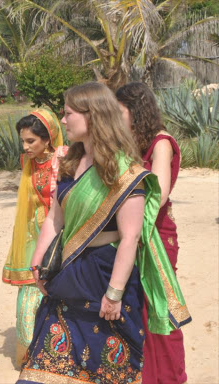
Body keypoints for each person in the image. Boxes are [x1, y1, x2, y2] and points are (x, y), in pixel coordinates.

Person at [16, 82, 191, 383]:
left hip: (104, 276)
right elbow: (54, 221)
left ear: (93, 115)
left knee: (107, 370)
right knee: (42, 369)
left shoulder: (124, 170)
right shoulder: (70, 162)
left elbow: (130, 237)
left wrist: (114, 294)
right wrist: (38, 265)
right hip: (68, 273)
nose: (64, 120)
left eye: (69, 113)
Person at [116, 82, 187, 384]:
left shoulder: (161, 143)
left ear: (135, 110)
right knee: (137, 308)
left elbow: (158, 194)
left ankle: (170, 377)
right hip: (132, 235)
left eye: (119, 111)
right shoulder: (131, 142)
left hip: (155, 236)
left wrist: (128, 229)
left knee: (160, 310)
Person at [2, 109, 68, 367]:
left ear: (48, 138)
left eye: (31, 141)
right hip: (34, 233)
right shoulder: (28, 162)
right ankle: (30, 353)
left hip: (60, 232)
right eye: (23, 141)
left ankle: (57, 351)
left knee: (57, 288)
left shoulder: (64, 159)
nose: (26, 147)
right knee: (30, 289)